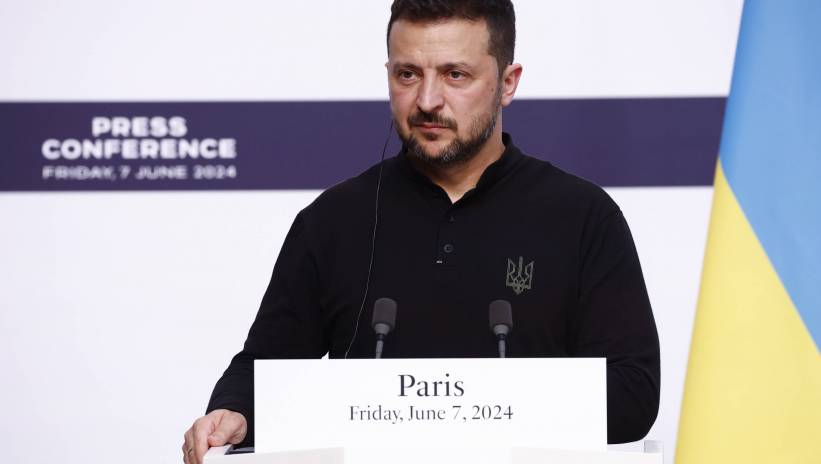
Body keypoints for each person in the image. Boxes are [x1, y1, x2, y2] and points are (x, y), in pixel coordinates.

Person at [182, 1, 660, 462]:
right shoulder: (332, 219)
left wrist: (471, 411)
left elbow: (632, 392)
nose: (427, 101)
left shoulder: (582, 216)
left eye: (456, 75)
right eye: (408, 74)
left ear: (507, 83)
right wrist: (234, 413)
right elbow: (263, 370)